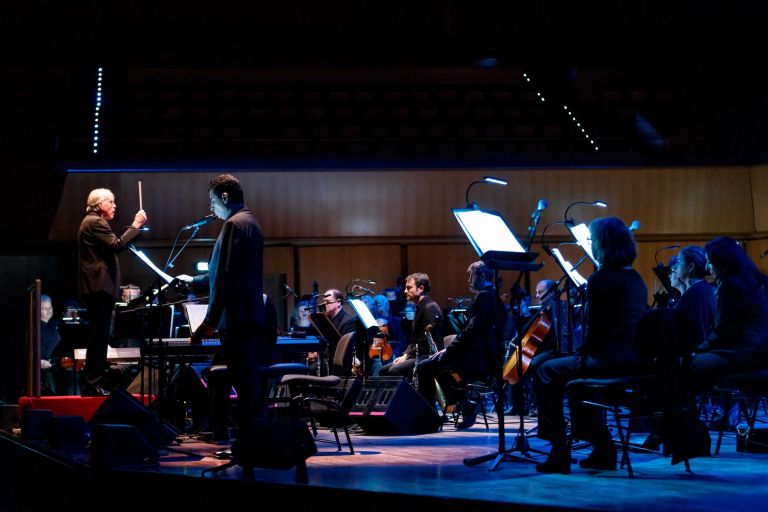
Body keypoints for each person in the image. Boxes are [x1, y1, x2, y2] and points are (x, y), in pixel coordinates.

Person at [534, 216, 648, 473]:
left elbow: (596, 332)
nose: (592, 245)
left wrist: (582, 351)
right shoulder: (635, 278)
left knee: (546, 370)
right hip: (633, 358)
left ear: (603, 244)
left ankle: (559, 450)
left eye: (593, 240)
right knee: (577, 387)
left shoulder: (600, 279)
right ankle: (603, 448)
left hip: (609, 359)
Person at [177, 173, 271, 442]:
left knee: (244, 385)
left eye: (212, 201)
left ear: (225, 197)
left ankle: (249, 443)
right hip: (245, 319)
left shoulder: (234, 225)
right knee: (223, 379)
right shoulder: (248, 222)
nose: (211, 208)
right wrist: (192, 282)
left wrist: (208, 322)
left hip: (238, 320)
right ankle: (221, 434)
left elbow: (226, 279)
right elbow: (223, 274)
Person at [417, 261, 507, 429]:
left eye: (470, 276)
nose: (468, 281)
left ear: (481, 276)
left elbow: (471, 331)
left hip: (478, 361)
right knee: (439, 367)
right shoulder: (494, 297)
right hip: (488, 358)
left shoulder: (483, 296)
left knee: (424, 367)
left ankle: (430, 418)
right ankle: (464, 403)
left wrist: (448, 350)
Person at [77, 188, 147, 396]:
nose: (115, 205)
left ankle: (94, 382)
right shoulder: (95, 222)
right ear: (100, 205)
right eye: (111, 202)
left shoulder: (91, 222)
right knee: (99, 336)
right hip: (99, 288)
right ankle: (92, 383)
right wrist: (136, 225)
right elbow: (116, 245)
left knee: (99, 336)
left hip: (98, 289)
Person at [688, 237, 768, 389]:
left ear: (722, 262)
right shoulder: (758, 280)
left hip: (743, 356)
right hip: (762, 355)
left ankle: (683, 410)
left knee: (687, 365)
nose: (707, 267)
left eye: (710, 262)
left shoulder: (731, 286)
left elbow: (723, 332)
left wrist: (696, 351)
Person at [505, 278, 560, 417]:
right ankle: (517, 405)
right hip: (540, 349)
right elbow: (528, 331)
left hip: (554, 350)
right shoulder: (542, 310)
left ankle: (538, 405)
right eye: (536, 292)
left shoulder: (557, 309)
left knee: (535, 363)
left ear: (552, 293)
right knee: (517, 361)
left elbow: (555, 339)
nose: (536, 295)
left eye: (540, 292)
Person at [379, 273, 443, 381]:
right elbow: (414, 340)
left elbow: (425, 341)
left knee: (394, 370)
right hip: (418, 354)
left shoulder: (429, 307)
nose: (405, 291)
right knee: (383, 371)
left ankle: (406, 398)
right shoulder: (420, 307)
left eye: (409, 288)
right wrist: (406, 354)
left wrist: (407, 356)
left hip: (428, 356)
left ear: (421, 288)